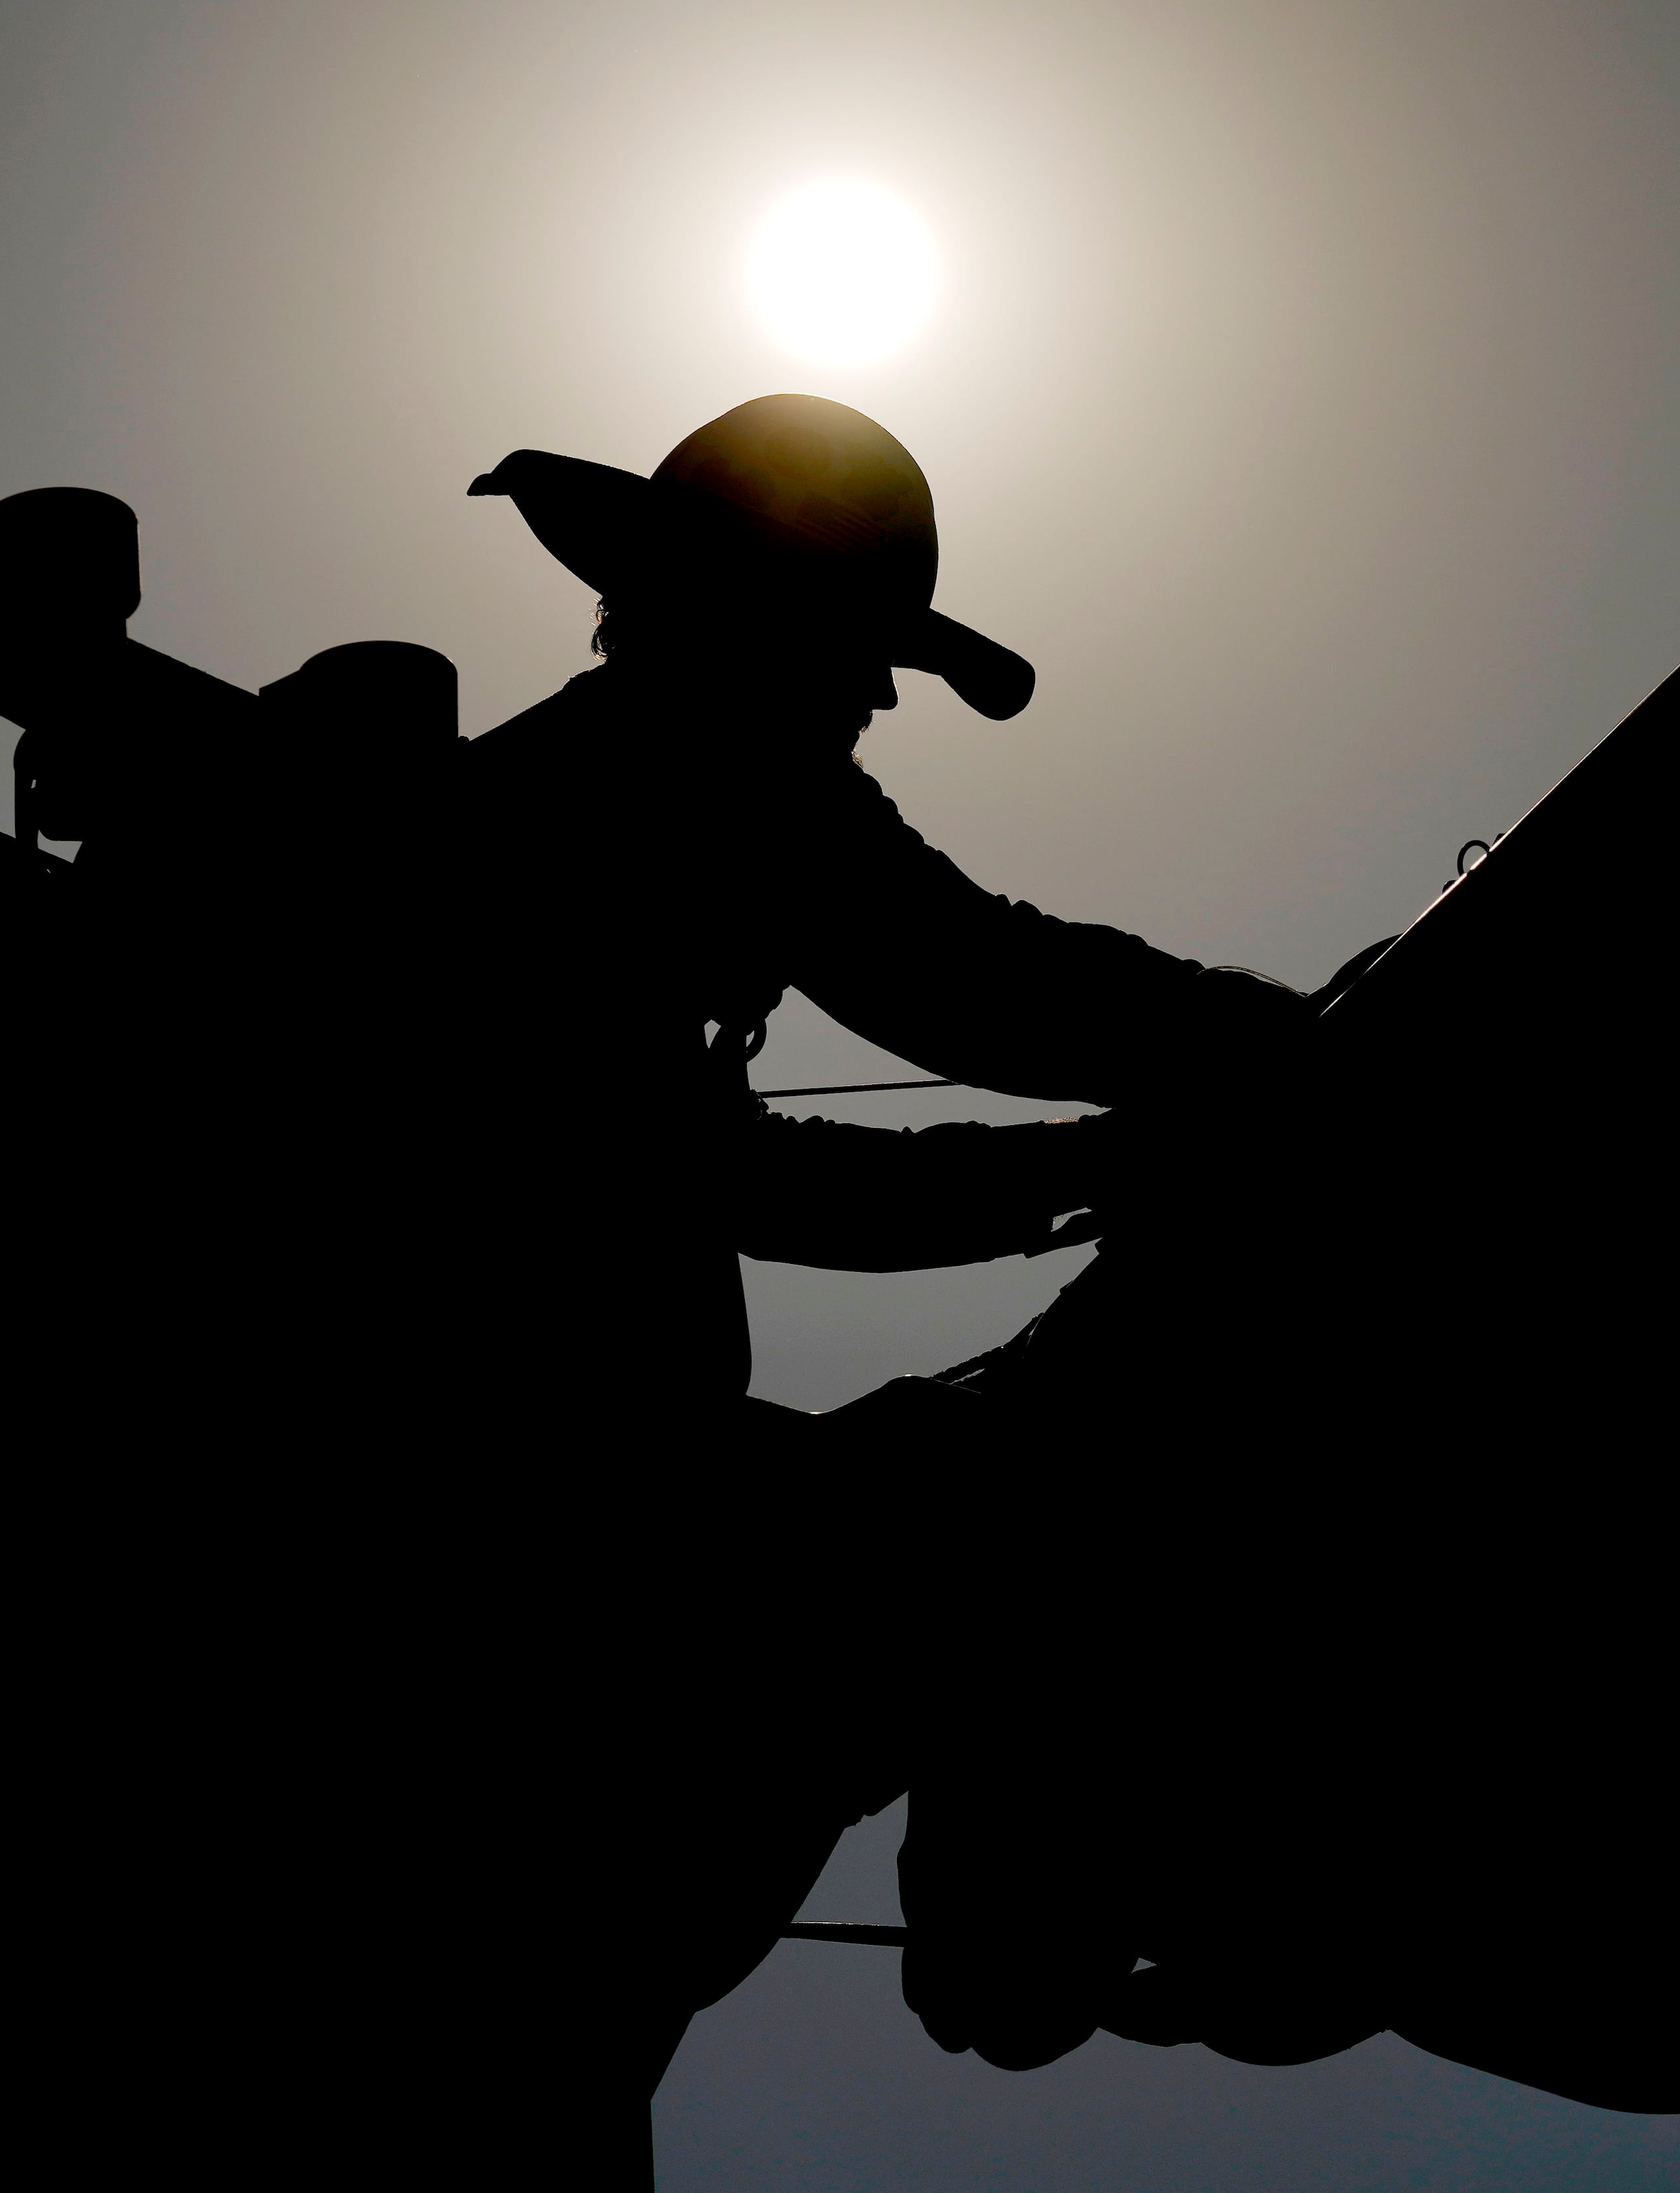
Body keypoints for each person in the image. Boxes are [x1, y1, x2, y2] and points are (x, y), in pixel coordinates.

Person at [436, 393, 1317, 2184]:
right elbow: (973, 987)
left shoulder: (637, 780)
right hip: (521, 1488)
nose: (877, 702)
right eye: (862, 655)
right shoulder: (701, 763)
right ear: (758, 623)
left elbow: (759, 1154)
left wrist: (1100, 1156)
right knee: (977, 1526)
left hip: (564, 1466)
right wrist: (1272, 1059)